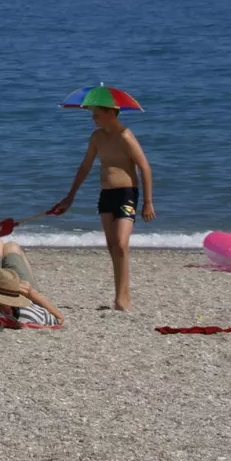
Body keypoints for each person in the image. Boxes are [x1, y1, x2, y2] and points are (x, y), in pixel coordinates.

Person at [49, 104, 155, 312]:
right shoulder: (96, 137)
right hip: (106, 195)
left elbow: (144, 167)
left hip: (126, 194)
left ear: (110, 113)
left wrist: (148, 202)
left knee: (121, 244)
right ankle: (120, 296)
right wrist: (69, 197)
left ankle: (123, 299)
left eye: (96, 115)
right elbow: (85, 166)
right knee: (112, 247)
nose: (93, 118)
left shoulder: (125, 136)